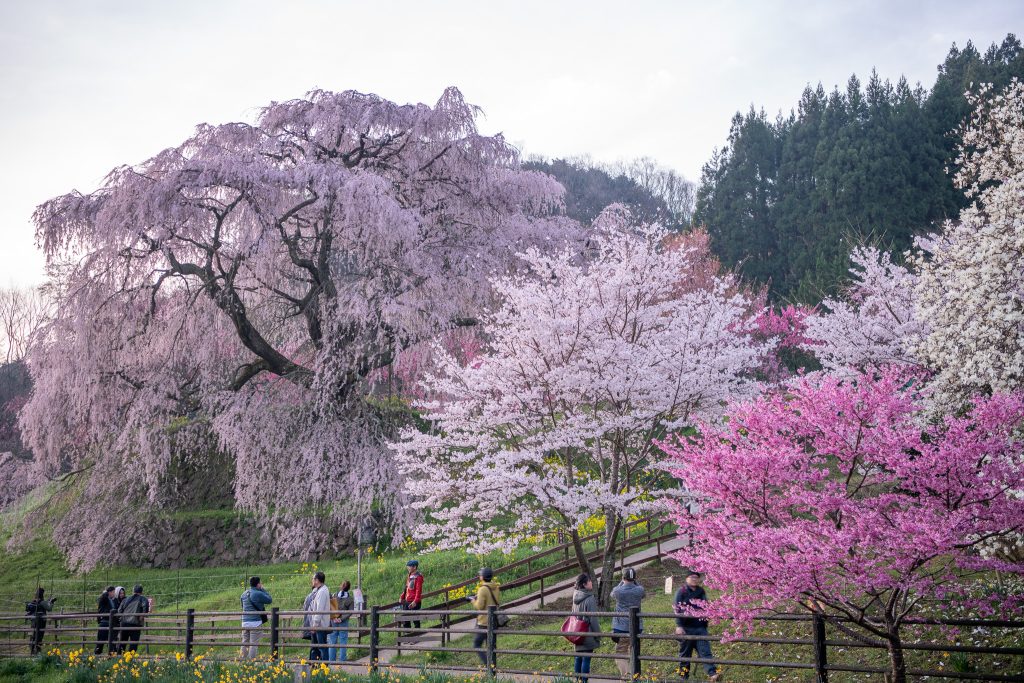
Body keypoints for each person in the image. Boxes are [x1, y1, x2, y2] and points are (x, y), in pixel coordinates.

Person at [674, 571, 719, 681]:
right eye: (692, 577)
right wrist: (679, 625)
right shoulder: (682, 591)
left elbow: (706, 606)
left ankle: (712, 673)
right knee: (685, 654)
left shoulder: (701, 591)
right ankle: (683, 676)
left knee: (705, 651)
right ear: (686, 578)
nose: (694, 579)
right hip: (686, 628)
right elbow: (677, 608)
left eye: (696, 577)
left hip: (700, 627)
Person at [610, 567, 645, 679]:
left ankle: (625, 678)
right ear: (634, 578)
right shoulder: (639, 590)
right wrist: (634, 581)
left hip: (621, 628)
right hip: (636, 628)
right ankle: (634, 677)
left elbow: (612, 594)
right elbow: (641, 591)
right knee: (633, 654)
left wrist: (622, 581)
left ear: (623, 578)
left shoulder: (618, 591)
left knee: (620, 653)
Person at [571, 573, 601, 683]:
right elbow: (593, 619)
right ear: (584, 584)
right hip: (587, 633)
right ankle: (584, 681)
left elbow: (573, 614)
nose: (591, 583)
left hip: (577, 632)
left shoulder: (575, 596)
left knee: (578, 658)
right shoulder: (590, 598)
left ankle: (578, 680)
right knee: (586, 659)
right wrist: (598, 635)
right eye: (589, 581)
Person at [470, 567, 500, 669]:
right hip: (493, 620)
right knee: (491, 646)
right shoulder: (496, 587)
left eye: (480, 575)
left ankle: (489, 665)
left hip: (483, 622)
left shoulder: (482, 589)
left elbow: (479, 606)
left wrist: (473, 600)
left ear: (482, 577)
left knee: (477, 644)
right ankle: (492, 669)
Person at [240, 576, 273, 660]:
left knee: (244, 642)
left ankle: (242, 660)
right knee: (253, 644)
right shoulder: (258, 593)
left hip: (244, 622)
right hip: (255, 622)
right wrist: (262, 589)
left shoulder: (244, 594)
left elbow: (242, 606)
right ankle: (251, 662)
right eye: (260, 583)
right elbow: (269, 600)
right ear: (258, 584)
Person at [327, 580, 354, 662]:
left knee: (332, 640)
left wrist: (334, 617)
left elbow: (330, 606)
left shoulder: (334, 595)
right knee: (343, 641)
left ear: (341, 586)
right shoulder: (350, 599)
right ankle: (342, 660)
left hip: (333, 620)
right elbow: (350, 611)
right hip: (344, 622)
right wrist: (341, 618)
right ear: (349, 588)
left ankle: (331, 660)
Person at [117, 585, 149, 653]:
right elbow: (145, 609)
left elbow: (119, 611)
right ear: (141, 592)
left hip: (124, 624)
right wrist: (141, 617)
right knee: (133, 644)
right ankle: (130, 659)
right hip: (135, 624)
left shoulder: (125, 599)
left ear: (133, 591)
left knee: (122, 642)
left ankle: (118, 658)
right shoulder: (143, 599)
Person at [306, 571, 330, 661]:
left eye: (313, 579)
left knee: (322, 647)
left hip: (320, 625)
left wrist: (315, 624)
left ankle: (324, 666)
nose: (312, 580)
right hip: (318, 624)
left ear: (317, 580)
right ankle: (317, 666)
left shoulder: (322, 591)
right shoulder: (319, 590)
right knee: (317, 647)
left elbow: (319, 609)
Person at [25, 587, 56, 655]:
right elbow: (49, 608)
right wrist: (51, 602)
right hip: (41, 621)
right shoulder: (42, 602)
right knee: (39, 635)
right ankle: (37, 650)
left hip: (34, 621)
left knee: (33, 635)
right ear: (42, 594)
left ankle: (32, 650)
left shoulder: (33, 602)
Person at [399, 559, 423, 634]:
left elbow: (418, 590)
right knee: (406, 619)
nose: (408, 568)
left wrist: (415, 601)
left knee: (415, 620)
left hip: (414, 602)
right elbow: (406, 588)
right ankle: (408, 637)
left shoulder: (418, 577)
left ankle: (416, 636)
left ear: (414, 567)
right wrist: (402, 596)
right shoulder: (410, 575)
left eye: (409, 566)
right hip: (407, 600)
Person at [95, 586, 117, 655]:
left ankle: (112, 656)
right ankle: (97, 654)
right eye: (113, 592)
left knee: (112, 641)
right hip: (104, 622)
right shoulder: (105, 598)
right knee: (101, 641)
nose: (114, 593)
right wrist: (105, 593)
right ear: (110, 592)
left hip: (110, 623)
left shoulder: (112, 600)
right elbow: (101, 599)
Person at [110, 587, 126, 654]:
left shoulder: (125, 600)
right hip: (115, 621)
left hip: (122, 621)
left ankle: (120, 651)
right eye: (120, 593)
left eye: (123, 593)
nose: (122, 595)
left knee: (122, 637)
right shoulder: (114, 601)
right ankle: (113, 651)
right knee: (114, 637)